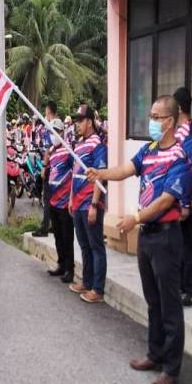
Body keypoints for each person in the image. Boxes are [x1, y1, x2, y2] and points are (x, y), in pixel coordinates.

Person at [87, 95, 190, 384]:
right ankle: (155, 353)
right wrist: (101, 174)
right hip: (147, 235)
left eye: (157, 117)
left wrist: (135, 217)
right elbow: (127, 169)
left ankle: (171, 368)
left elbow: (166, 201)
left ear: (169, 121)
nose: (152, 121)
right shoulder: (150, 150)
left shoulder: (180, 157)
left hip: (166, 236)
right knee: (153, 300)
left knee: (170, 304)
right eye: (151, 116)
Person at [68, 105, 108, 303]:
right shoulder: (79, 144)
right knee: (84, 245)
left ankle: (98, 289)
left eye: (80, 120)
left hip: (89, 204)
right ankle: (87, 281)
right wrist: (70, 198)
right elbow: (75, 173)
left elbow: (100, 177)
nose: (77, 124)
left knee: (96, 246)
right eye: (76, 120)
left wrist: (94, 204)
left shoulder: (98, 145)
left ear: (90, 122)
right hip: (77, 203)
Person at [173, 87, 192, 307]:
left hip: (188, 198)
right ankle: (182, 285)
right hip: (177, 198)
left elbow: (189, 170)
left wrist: (184, 203)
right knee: (180, 244)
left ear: (180, 107)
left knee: (189, 245)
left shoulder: (189, 133)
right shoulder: (179, 131)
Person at [45, 118, 75, 283]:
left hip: (65, 203)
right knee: (57, 236)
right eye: (51, 131)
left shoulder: (69, 151)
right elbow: (49, 172)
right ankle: (61, 264)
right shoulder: (53, 152)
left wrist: (71, 197)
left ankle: (70, 269)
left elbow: (75, 172)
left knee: (67, 237)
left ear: (62, 132)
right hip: (53, 201)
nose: (53, 134)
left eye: (56, 131)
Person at [32, 100, 58, 237]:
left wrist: (44, 167)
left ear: (48, 111)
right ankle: (54, 224)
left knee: (47, 198)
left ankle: (45, 227)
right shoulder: (61, 125)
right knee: (55, 197)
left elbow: (48, 149)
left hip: (51, 165)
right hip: (60, 166)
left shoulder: (50, 126)